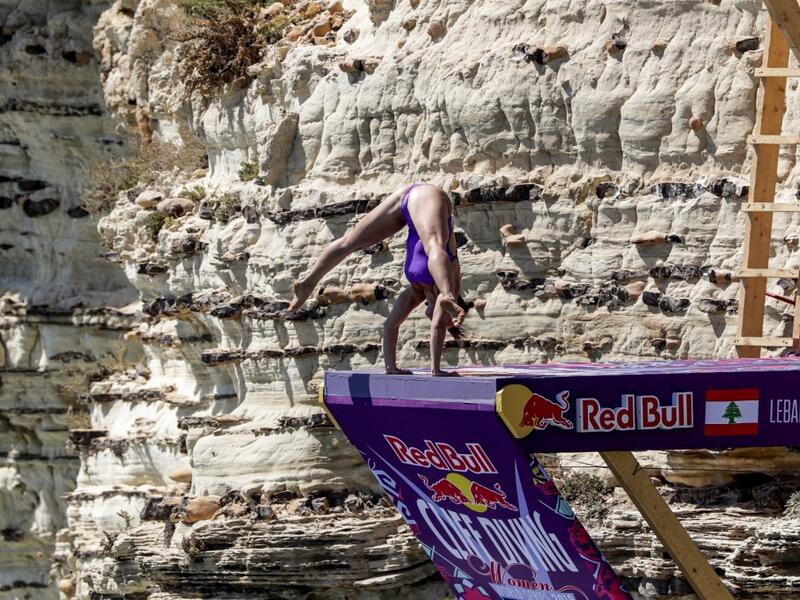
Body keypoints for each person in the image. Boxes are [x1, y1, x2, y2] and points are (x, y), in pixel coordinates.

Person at [288, 183, 465, 376]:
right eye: (450, 321)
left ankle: (308, 284)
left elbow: (390, 325)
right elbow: (439, 326)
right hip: (428, 196)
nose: (436, 319)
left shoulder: (417, 292)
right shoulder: (449, 285)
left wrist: (391, 367)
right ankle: (310, 281)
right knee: (434, 245)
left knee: (351, 242)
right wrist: (436, 370)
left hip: (405, 200)